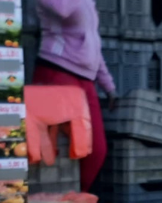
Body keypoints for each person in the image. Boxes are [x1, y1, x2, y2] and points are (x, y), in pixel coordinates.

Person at [34, 0, 116, 192]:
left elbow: (92, 45)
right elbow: (63, 10)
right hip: (57, 71)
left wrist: (108, 85)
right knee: (60, 151)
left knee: (96, 151)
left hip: (85, 80)